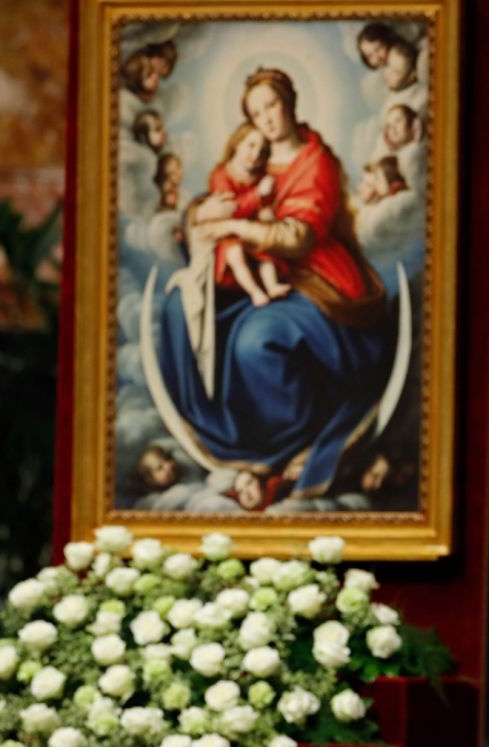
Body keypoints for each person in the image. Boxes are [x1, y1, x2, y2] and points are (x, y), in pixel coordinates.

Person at [158, 67, 387, 499]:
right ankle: (224, 432)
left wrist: (235, 227)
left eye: (271, 105)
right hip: (254, 270)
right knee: (176, 308)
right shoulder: (251, 154)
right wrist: (201, 216)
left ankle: (283, 440)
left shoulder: (316, 162)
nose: (265, 118)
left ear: (289, 101)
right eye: (255, 112)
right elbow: (214, 201)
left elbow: (298, 237)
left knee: (256, 340)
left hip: (315, 277)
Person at [206, 122, 288, 307]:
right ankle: (255, 292)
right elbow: (230, 209)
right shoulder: (221, 175)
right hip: (227, 233)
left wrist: (266, 211)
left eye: (262, 150)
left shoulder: (258, 176)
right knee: (235, 253)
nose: (256, 154)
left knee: (266, 250)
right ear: (237, 143)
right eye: (251, 145)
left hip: (250, 230)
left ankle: (272, 285)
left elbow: (265, 205)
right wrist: (257, 194)